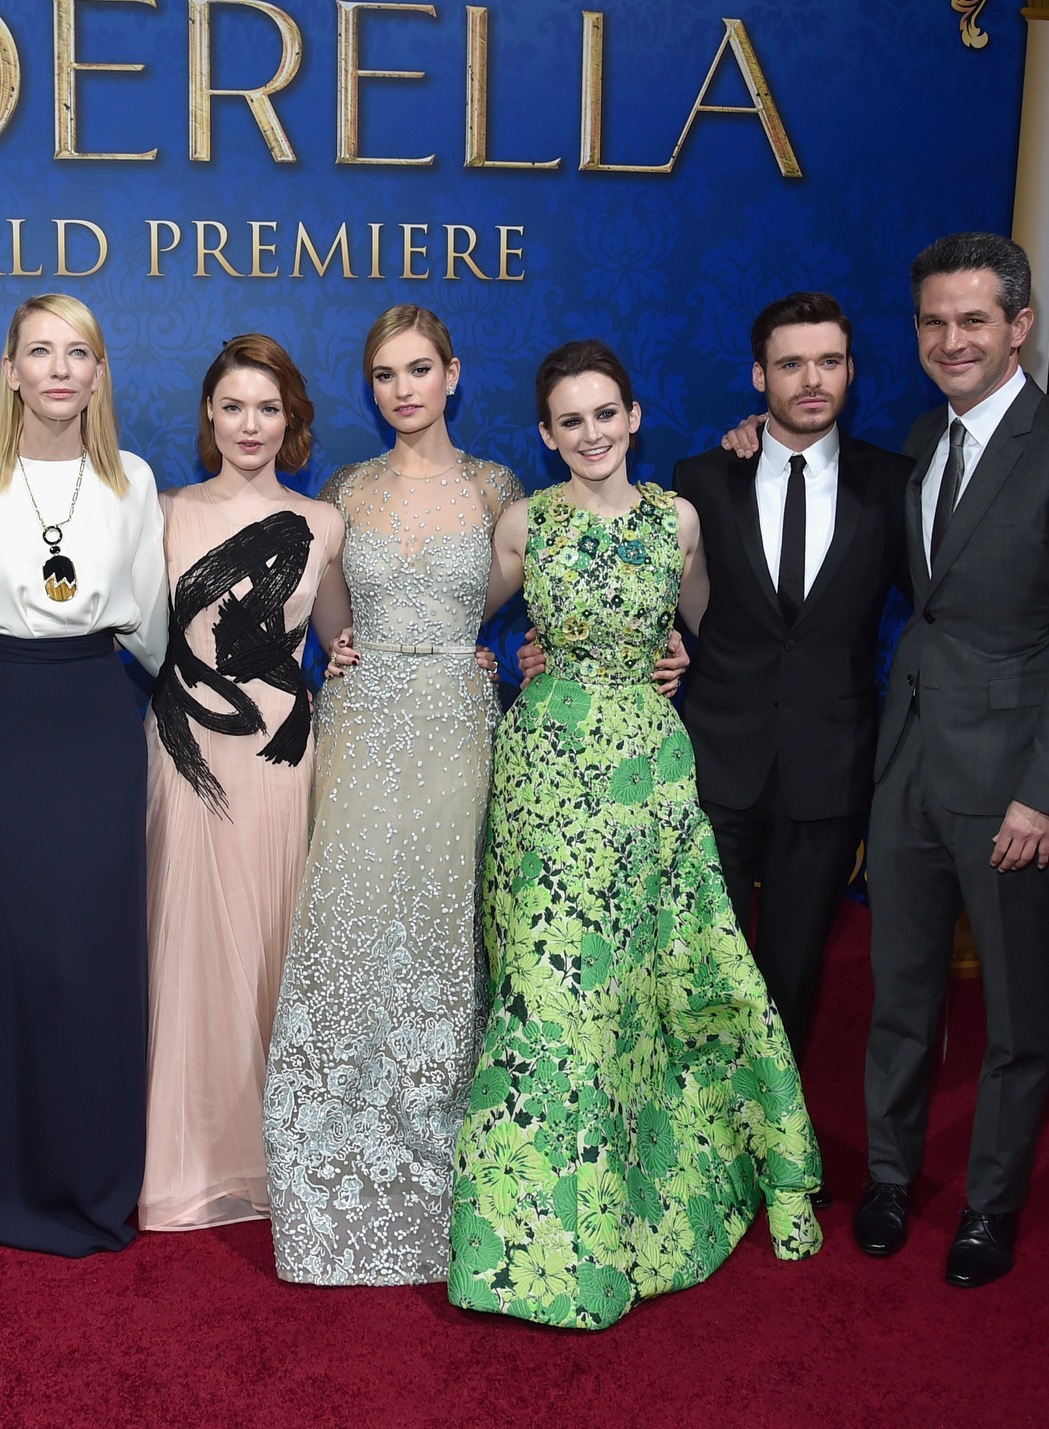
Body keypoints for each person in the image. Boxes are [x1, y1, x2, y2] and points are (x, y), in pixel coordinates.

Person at [450, 339, 823, 1331]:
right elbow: (453, 620)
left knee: (636, 987)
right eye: (568, 421)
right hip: (541, 780)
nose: (589, 433)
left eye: (603, 414)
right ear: (544, 434)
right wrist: (423, 643)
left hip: (648, 783)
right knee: (540, 991)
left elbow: (709, 632)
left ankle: (626, 1210)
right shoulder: (524, 521)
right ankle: (526, 1245)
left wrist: (675, 658)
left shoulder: (679, 517)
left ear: (633, 415)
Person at [856, 233, 1049, 1288]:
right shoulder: (925, 439)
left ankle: (987, 1204)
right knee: (898, 993)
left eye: (973, 319)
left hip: (1012, 788)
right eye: (932, 320)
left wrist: (1046, 794)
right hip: (909, 767)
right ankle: (890, 1176)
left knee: (1016, 1013)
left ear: (1018, 324)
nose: (949, 339)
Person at [261, 304, 524, 1286]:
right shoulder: (346, 490)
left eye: (418, 369)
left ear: (451, 375)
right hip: (363, 725)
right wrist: (350, 652)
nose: (401, 388)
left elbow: (508, 599)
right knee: (351, 923)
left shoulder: (500, 487)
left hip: (458, 723)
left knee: (442, 927)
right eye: (383, 374)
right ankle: (327, 1153)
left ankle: (440, 1152)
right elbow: (333, 627)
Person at [0, 292, 168, 1256]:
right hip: (1, 721)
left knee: (91, 954)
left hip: (98, 721)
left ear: (100, 373)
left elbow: (153, 626)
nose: (61, 369)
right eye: (41, 351)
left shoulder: (135, 482)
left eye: (80, 352)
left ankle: (91, 1177)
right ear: (12, 370)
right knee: (4, 951)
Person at [671, 295, 915, 1071]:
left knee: (792, 975)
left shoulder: (895, 484)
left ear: (850, 370)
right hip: (717, 762)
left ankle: (778, 1145)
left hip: (829, 769)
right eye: (791, 364)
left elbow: (941, 607)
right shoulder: (702, 479)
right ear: (758, 376)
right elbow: (651, 598)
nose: (812, 380)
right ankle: (702, 1149)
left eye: (830, 362)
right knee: (703, 974)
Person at [140, 334, 350, 1232]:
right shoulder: (161, 510)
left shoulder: (325, 522)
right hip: (184, 749)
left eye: (268, 408)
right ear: (209, 418)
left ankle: (272, 1157)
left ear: (292, 419)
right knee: (186, 940)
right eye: (233, 407)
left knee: (270, 939)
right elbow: (134, 632)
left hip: (276, 758)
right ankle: (186, 1161)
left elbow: (344, 647)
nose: (250, 424)